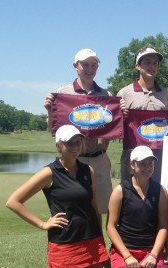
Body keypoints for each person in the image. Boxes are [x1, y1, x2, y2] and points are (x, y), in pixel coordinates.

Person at [2, 125, 108, 268]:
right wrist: (42, 224)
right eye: (69, 143)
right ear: (59, 145)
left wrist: (100, 238)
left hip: (91, 238)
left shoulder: (87, 170)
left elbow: (93, 206)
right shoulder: (49, 173)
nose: (75, 146)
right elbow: (13, 201)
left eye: (78, 141)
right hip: (65, 241)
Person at [44, 48, 113, 214]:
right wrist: (50, 111)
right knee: (75, 209)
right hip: (73, 160)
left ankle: (100, 240)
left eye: (94, 65)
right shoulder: (62, 93)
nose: (90, 69)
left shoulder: (106, 94)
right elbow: (52, 130)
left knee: (104, 208)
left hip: (100, 159)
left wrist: (121, 113)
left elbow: (112, 128)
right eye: (85, 64)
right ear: (76, 65)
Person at [106, 146, 168, 268]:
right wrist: (126, 255)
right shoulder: (120, 191)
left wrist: (154, 254)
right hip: (125, 249)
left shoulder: (160, 191)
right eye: (142, 164)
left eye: (150, 163)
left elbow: (163, 227)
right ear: (132, 165)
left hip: (151, 250)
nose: (148, 167)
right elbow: (110, 227)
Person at [117, 46, 168, 183]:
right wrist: (120, 117)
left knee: (157, 194)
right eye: (147, 62)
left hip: (158, 155)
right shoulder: (124, 93)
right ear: (137, 65)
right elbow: (115, 128)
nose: (152, 66)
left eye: (155, 63)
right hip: (133, 154)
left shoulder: (165, 94)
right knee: (130, 195)